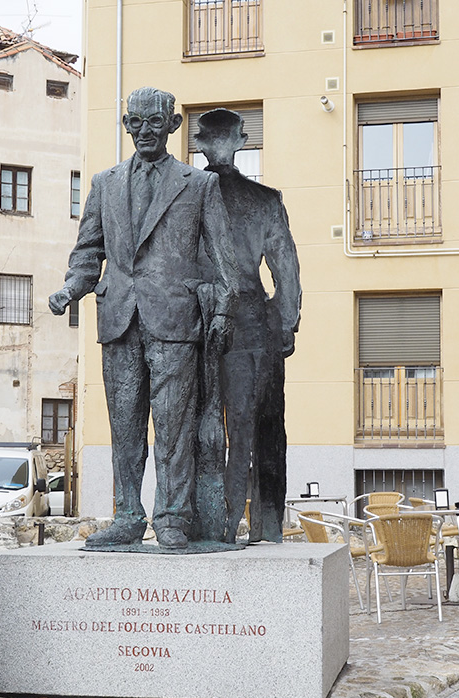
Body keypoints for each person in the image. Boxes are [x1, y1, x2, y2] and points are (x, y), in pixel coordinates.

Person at [49, 87, 239, 549]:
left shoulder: (199, 184)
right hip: (119, 319)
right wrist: (71, 288)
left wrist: (222, 310)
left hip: (175, 319)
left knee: (174, 426)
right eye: (136, 122)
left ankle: (172, 517)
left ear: (173, 125)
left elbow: (224, 259)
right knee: (125, 427)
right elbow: (88, 252)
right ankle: (128, 516)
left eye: (155, 122)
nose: (145, 131)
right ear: (127, 125)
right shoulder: (105, 184)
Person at [194, 108, 301, 543]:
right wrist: (285, 323)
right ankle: (246, 522)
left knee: (201, 426)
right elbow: (287, 275)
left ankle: (214, 522)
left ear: (200, 144)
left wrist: (284, 323)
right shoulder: (264, 200)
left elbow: (287, 274)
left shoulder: (187, 195)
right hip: (248, 324)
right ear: (241, 141)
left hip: (198, 322)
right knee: (247, 429)